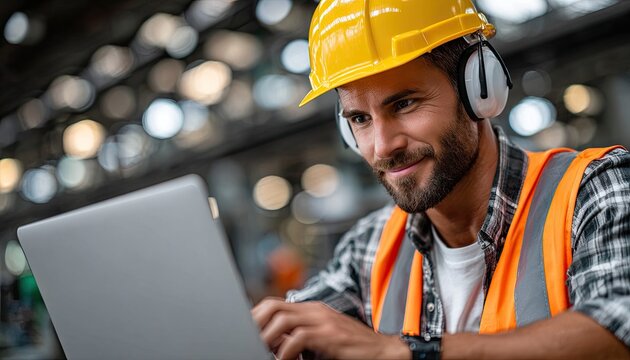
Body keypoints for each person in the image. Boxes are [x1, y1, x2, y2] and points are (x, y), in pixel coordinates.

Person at [252, 1, 630, 359]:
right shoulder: (369, 248)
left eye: (404, 104)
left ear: (479, 89)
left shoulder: (594, 189)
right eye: (360, 119)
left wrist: (404, 352)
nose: (383, 148)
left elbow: (617, 329)